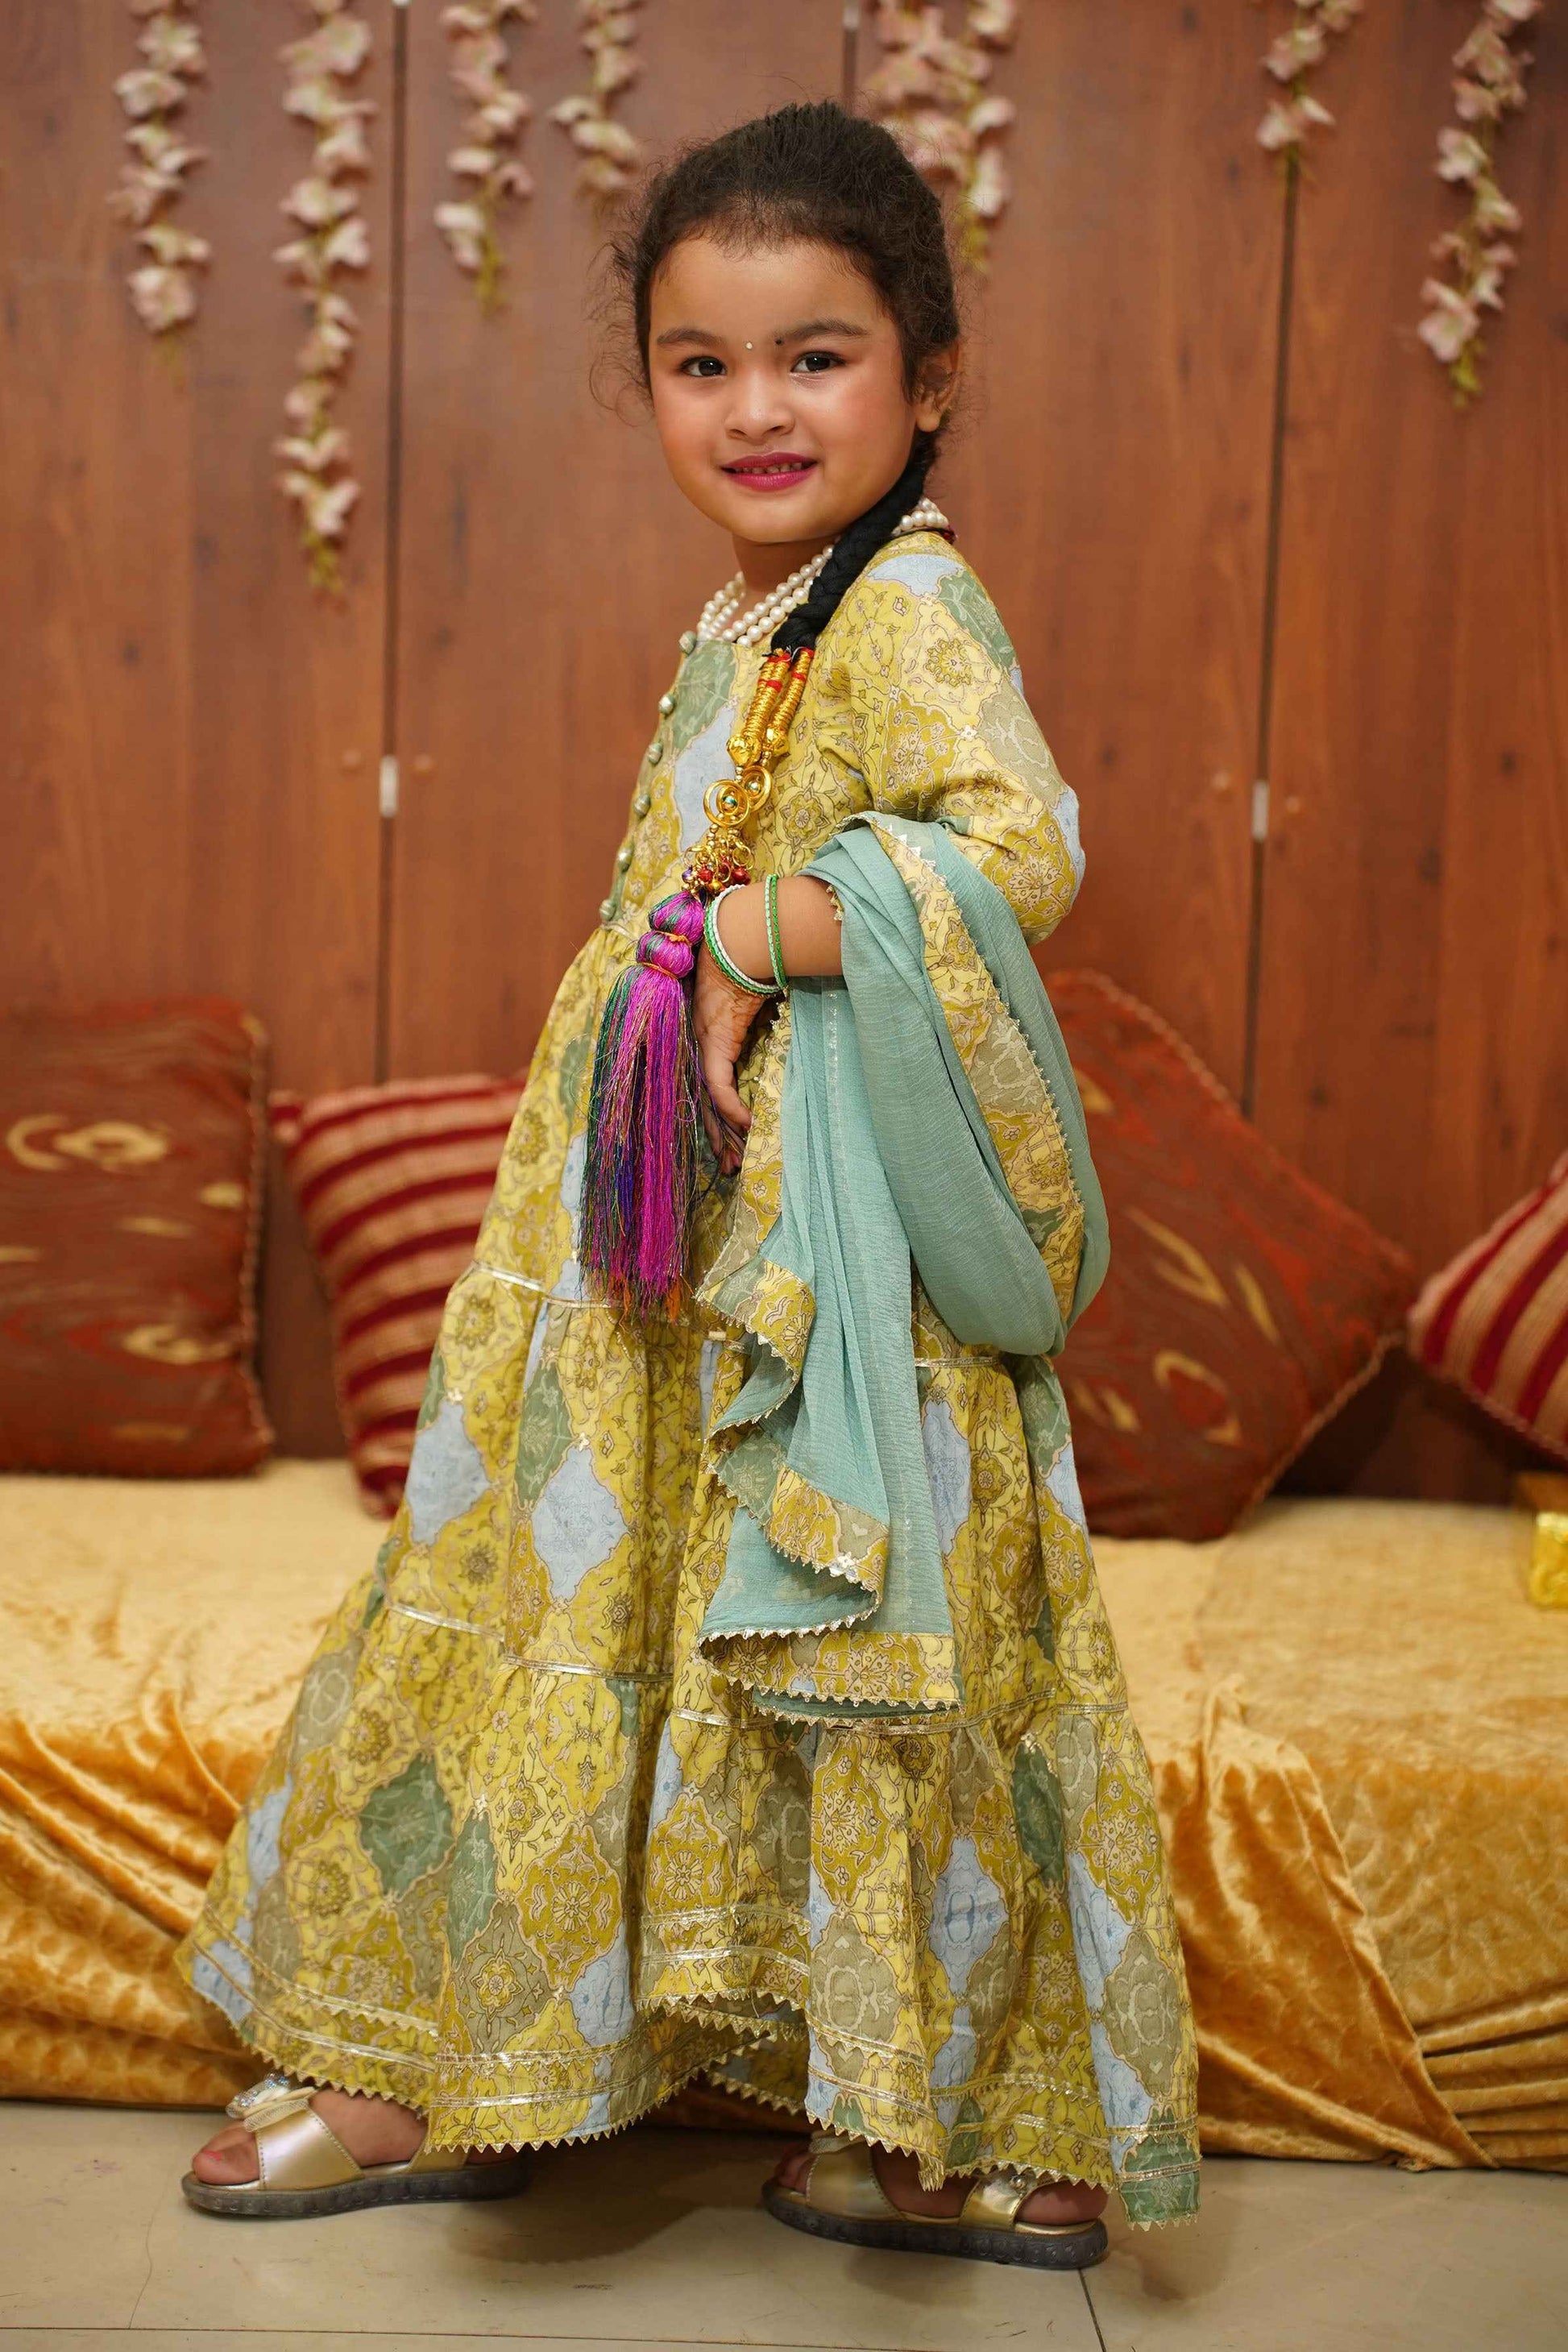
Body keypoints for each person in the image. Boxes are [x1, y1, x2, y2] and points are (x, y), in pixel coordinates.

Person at [178, 99, 1199, 2267]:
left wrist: (749, 933)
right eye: (700, 362)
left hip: (817, 1279)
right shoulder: (762, 608)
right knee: (551, 1607)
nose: (756, 409)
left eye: (817, 356)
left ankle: (952, 2123)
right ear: (644, 378)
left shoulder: (906, 604)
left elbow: (1013, 851)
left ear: (929, 376)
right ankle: (478, 2047)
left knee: (878, 1644)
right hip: (667, 1248)